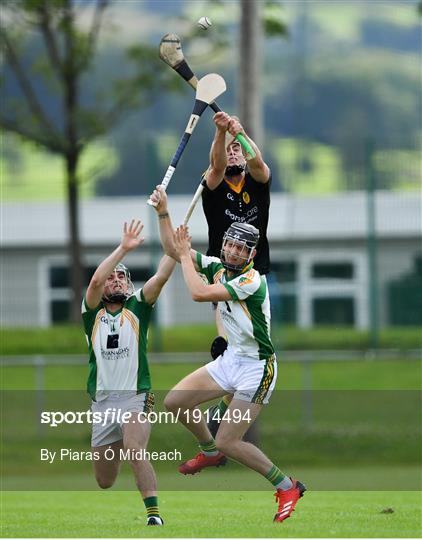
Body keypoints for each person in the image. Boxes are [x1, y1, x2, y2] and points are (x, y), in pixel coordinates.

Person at [149, 187, 306, 523]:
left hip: (257, 369)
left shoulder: (251, 281)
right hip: (232, 359)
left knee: (230, 441)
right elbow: (171, 250)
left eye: (241, 247)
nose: (234, 251)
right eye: (231, 244)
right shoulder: (219, 266)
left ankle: (287, 485)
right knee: (176, 401)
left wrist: (184, 254)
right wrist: (164, 213)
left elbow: (198, 293)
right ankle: (208, 452)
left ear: (251, 253)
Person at [81, 219, 176, 526]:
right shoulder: (91, 314)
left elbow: (161, 276)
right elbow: (95, 283)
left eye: (121, 277)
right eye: (112, 277)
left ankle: (154, 515)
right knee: (104, 481)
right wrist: (123, 248)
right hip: (102, 403)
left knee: (135, 448)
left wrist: (176, 248)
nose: (116, 281)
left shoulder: (138, 308)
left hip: (136, 397)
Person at [202, 112, 272, 434]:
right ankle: (222, 424)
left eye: (236, 149)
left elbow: (260, 165)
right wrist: (221, 134)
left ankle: (226, 417)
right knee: (226, 349)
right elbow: (215, 168)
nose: (232, 152)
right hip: (223, 278)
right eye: (228, 149)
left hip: (255, 281)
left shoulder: (257, 181)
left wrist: (242, 136)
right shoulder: (214, 186)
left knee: (250, 350)